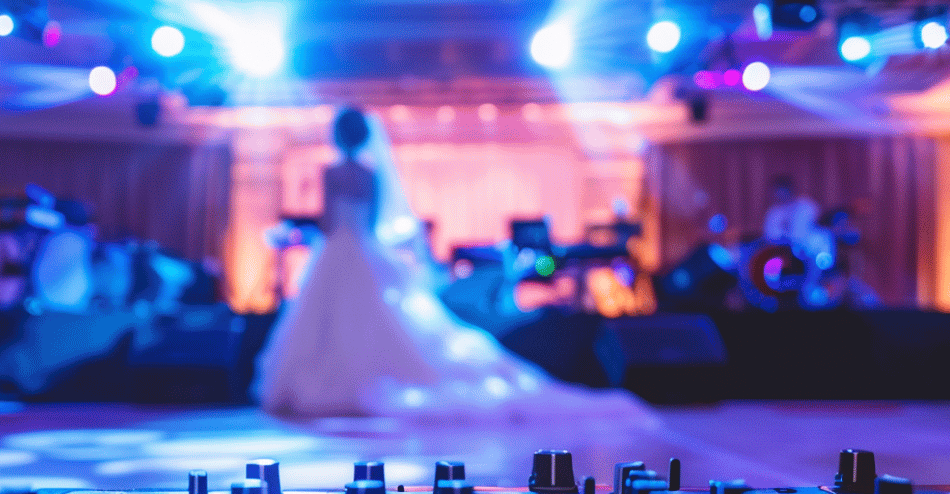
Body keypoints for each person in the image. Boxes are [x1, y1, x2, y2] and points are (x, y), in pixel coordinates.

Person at [253, 108, 656, 426]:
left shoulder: (330, 172)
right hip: (361, 249)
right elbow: (373, 221)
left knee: (327, 322)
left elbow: (327, 221)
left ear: (337, 136)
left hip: (336, 251)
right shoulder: (370, 174)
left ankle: (327, 388)